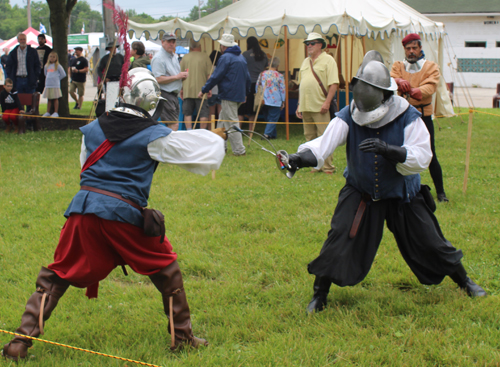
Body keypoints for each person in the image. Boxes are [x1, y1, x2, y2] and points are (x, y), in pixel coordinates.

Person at [1, 69, 227, 362]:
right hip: (123, 215)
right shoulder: (152, 135)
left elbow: (86, 168)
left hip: (82, 211)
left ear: (123, 94)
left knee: (57, 275)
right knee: (166, 269)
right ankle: (182, 338)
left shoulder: (93, 128)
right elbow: (197, 154)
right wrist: (217, 138)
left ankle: (19, 342)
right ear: (151, 102)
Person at [279, 51, 486, 314]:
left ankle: (465, 281)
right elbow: (324, 144)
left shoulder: (407, 115)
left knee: (431, 241)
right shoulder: (348, 114)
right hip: (361, 192)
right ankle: (319, 295)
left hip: (403, 194)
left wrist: (390, 151)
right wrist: (298, 158)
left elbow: (423, 155)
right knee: (339, 237)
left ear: (385, 94)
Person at [391, 33, 448, 202]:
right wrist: (399, 81)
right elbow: (392, 77)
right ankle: (399, 188)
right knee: (399, 151)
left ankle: (441, 193)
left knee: (430, 153)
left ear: (420, 48)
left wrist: (418, 91)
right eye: (408, 48)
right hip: (401, 115)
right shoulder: (398, 65)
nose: (411, 51)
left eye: (414, 48)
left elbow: (430, 86)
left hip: (423, 115)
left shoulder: (431, 67)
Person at [199, 34, 251, 156]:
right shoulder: (241, 58)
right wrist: (246, 93)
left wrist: (204, 89)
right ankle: (220, 146)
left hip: (228, 95)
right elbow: (247, 78)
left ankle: (239, 150)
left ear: (223, 46)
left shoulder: (225, 58)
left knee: (232, 122)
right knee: (223, 120)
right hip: (238, 95)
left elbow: (216, 76)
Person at [296, 32, 339, 175]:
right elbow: (302, 84)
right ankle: (316, 165)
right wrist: (299, 105)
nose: (309, 46)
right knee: (310, 138)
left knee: (324, 137)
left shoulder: (328, 60)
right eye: (307, 43)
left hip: (320, 105)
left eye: (312, 43)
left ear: (320, 44)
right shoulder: (304, 62)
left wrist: (327, 103)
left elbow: (333, 83)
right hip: (306, 106)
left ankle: (328, 167)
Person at [151, 33, 188, 131]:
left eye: (173, 42)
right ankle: (170, 145)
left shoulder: (174, 56)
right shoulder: (158, 58)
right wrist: (177, 77)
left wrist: (181, 77)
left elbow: (174, 76)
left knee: (174, 125)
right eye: (169, 42)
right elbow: (158, 79)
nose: (171, 44)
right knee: (173, 126)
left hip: (173, 95)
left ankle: (169, 145)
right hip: (165, 94)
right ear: (162, 42)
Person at [180, 39, 212, 130]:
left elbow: (181, 75)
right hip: (202, 90)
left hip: (187, 90)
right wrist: (209, 88)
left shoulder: (185, 57)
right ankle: (202, 132)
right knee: (203, 113)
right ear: (200, 46)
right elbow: (209, 75)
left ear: (190, 47)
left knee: (187, 113)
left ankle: (189, 131)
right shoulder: (205, 57)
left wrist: (182, 89)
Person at [239, 36, 268, 131]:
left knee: (241, 109)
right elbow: (265, 69)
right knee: (253, 109)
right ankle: (251, 131)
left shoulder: (245, 54)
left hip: (246, 84)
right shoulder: (263, 54)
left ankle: (239, 130)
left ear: (248, 44)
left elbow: (241, 69)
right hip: (258, 85)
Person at [255, 57, 285, 139]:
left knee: (268, 118)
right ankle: (266, 134)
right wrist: (283, 100)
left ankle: (272, 135)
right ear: (278, 65)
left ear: (268, 64)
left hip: (264, 99)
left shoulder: (262, 74)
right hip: (276, 100)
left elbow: (257, 86)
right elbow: (282, 89)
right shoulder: (280, 76)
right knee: (273, 118)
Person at [97, 42, 125, 111]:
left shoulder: (120, 57)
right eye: (112, 48)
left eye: (115, 48)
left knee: (120, 96)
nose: (114, 49)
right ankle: (109, 109)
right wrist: (103, 78)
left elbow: (125, 67)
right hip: (109, 80)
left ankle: (120, 109)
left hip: (119, 80)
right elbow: (99, 69)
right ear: (109, 49)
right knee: (110, 96)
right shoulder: (105, 59)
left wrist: (122, 76)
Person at [41, 51, 66, 118]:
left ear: (56, 58)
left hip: (55, 85)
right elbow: (45, 74)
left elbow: (63, 74)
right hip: (48, 85)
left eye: (53, 57)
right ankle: (48, 112)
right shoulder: (46, 66)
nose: (52, 58)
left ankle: (56, 112)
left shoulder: (58, 66)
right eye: (50, 57)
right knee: (49, 98)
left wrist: (57, 79)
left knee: (55, 98)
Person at [207, 50, 222, 122]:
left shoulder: (209, 68)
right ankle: (220, 128)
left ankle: (210, 129)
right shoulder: (221, 68)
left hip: (212, 91)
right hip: (220, 91)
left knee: (211, 113)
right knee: (221, 113)